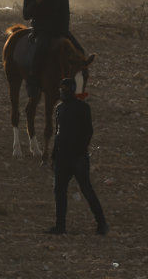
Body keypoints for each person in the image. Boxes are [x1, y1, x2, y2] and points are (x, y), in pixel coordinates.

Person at [46, 77, 108, 235]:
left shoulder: (82, 107)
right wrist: (54, 156)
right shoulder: (60, 108)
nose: (63, 92)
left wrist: (80, 150)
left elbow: (88, 132)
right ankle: (60, 226)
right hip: (63, 157)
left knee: (86, 190)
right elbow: (58, 134)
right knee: (59, 191)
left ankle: (102, 224)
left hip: (77, 157)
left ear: (73, 90)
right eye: (62, 89)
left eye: (66, 89)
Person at [22, 0, 82, 96]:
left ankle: (79, 87)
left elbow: (65, 14)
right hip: (41, 30)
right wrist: (37, 2)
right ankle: (33, 82)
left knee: (79, 52)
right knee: (39, 51)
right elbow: (26, 15)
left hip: (59, 30)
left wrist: (63, 32)